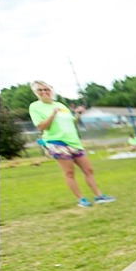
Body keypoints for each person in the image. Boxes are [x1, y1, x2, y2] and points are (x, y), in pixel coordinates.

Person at [28, 80, 116, 208]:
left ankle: (98, 196)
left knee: (88, 170)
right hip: (57, 142)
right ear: (35, 92)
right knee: (69, 172)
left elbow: (72, 123)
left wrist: (78, 115)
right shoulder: (35, 107)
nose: (44, 92)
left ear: (51, 90)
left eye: (46, 89)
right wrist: (52, 114)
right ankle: (81, 199)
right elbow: (41, 127)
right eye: (40, 90)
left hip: (74, 142)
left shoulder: (60, 105)